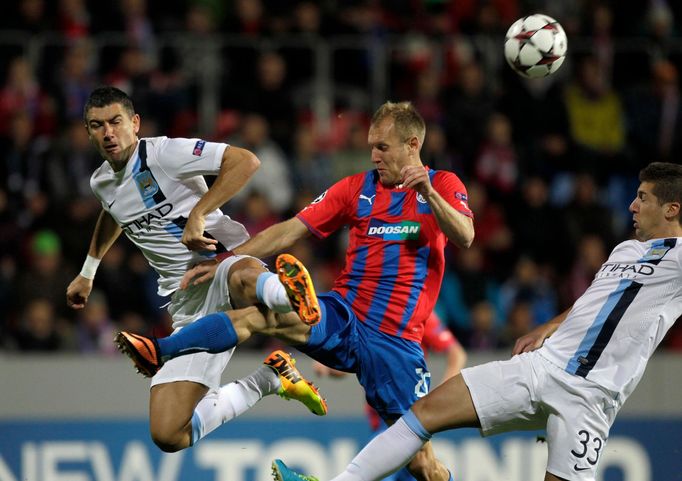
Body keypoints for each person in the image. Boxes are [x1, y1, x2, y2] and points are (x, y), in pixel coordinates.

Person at [118, 101, 475, 481]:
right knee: (259, 318)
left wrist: (431, 195)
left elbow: (465, 236)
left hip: (396, 342)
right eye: (372, 146)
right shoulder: (357, 188)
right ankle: (161, 350)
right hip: (343, 316)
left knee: (423, 466)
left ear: (412, 144)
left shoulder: (444, 185)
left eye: (382, 148)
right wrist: (226, 259)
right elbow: (292, 229)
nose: (373, 155)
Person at [271, 161, 682, 481]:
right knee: (421, 414)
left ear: (672, 208)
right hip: (541, 366)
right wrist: (547, 327)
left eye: (643, 198)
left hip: (591, 397)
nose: (632, 205)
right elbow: (593, 303)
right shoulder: (626, 251)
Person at [65, 86, 327, 454]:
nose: (108, 133)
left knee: (241, 276)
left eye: (115, 122)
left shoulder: (164, 152)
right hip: (186, 302)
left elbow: (246, 161)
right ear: (88, 131)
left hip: (216, 263)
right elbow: (113, 213)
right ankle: (270, 378)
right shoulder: (101, 182)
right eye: (96, 126)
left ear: (135, 123)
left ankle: (290, 294)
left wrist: (200, 213)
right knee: (167, 433)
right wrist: (88, 271)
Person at [313, 310, 467, 481]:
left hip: (402, 412)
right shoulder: (369, 308)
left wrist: (439, 399)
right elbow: (354, 361)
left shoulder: (416, 310)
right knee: (421, 469)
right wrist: (329, 366)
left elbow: (456, 354)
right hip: (382, 414)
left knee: (379, 472)